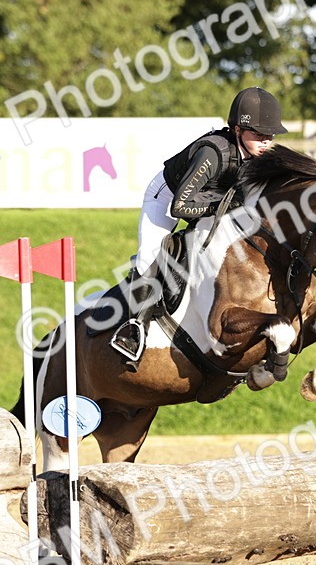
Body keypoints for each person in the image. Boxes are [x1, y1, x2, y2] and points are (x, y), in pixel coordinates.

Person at [110, 86, 287, 363]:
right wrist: (223, 208)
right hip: (167, 197)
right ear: (238, 130)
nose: (266, 141)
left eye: (270, 136)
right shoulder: (212, 153)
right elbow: (180, 206)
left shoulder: (255, 156)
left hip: (211, 200)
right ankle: (132, 329)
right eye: (259, 135)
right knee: (149, 258)